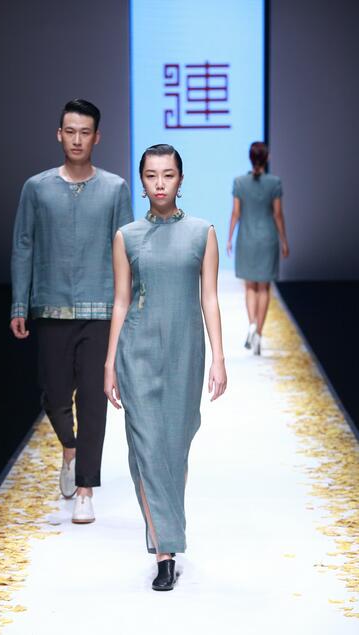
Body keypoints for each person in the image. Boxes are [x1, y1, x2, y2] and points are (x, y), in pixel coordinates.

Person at [104, 144, 227, 591]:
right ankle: (165, 553)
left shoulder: (202, 233)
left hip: (185, 352)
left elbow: (209, 298)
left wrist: (219, 357)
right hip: (136, 350)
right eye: (151, 175)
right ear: (142, 182)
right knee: (146, 447)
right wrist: (109, 363)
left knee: (174, 447)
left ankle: (166, 530)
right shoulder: (127, 236)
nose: (160, 183)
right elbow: (120, 301)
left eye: (168, 175)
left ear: (180, 179)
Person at [10, 99, 133, 524]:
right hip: (51, 304)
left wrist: (129, 308)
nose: (77, 139)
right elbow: (23, 244)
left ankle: (85, 489)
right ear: (59, 134)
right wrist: (20, 302)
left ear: (97, 137)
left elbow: (126, 250)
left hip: (100, 308)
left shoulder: (115, 188)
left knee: (95, 400)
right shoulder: (36, 188)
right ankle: (70, 448)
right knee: (55, 395)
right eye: (70, 131)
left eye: (85, 132)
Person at [227, 142, 289, 355]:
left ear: (250, 157)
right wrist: (284, 240)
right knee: (264, 288)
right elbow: (277, 214)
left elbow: (236, 213)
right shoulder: (274, 183)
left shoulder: (239, 182)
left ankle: (252, 323)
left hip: (246, 238)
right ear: (267, 158)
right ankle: (259, 334)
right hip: (268, 239)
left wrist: (229, 238)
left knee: (249, 287)